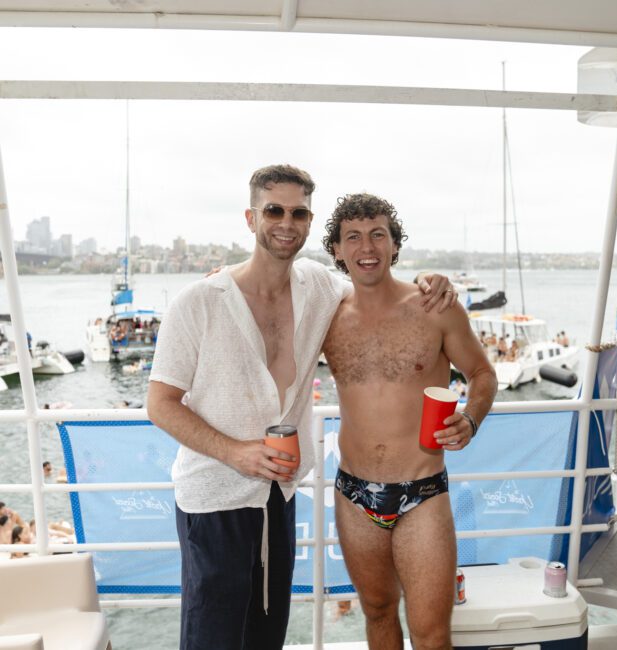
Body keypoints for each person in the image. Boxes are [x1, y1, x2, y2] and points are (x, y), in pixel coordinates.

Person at [146, 165, 458, 650]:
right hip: (214, 500)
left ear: (311, 223)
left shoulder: (318, 288)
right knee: (212, 637)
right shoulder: (198, 302)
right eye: (273, 210)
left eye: (298, 212)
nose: (285, 222)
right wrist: (236, 453)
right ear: (251, 218)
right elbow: (160, 405)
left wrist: (428, 279)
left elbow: (375, 281)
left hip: (278, 497)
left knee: (266, 635)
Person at [321, 193, 497, 650]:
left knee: (432, 634)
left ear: (395, 245)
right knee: (378, 614)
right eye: (353, 237)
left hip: (422, 493)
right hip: (354, 494)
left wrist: (471, 419)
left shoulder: (434, 306)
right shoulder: (325, 317)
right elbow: (270, 294)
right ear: (337, 250)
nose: (367, 246)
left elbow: (482, 374)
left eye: (378, 234)